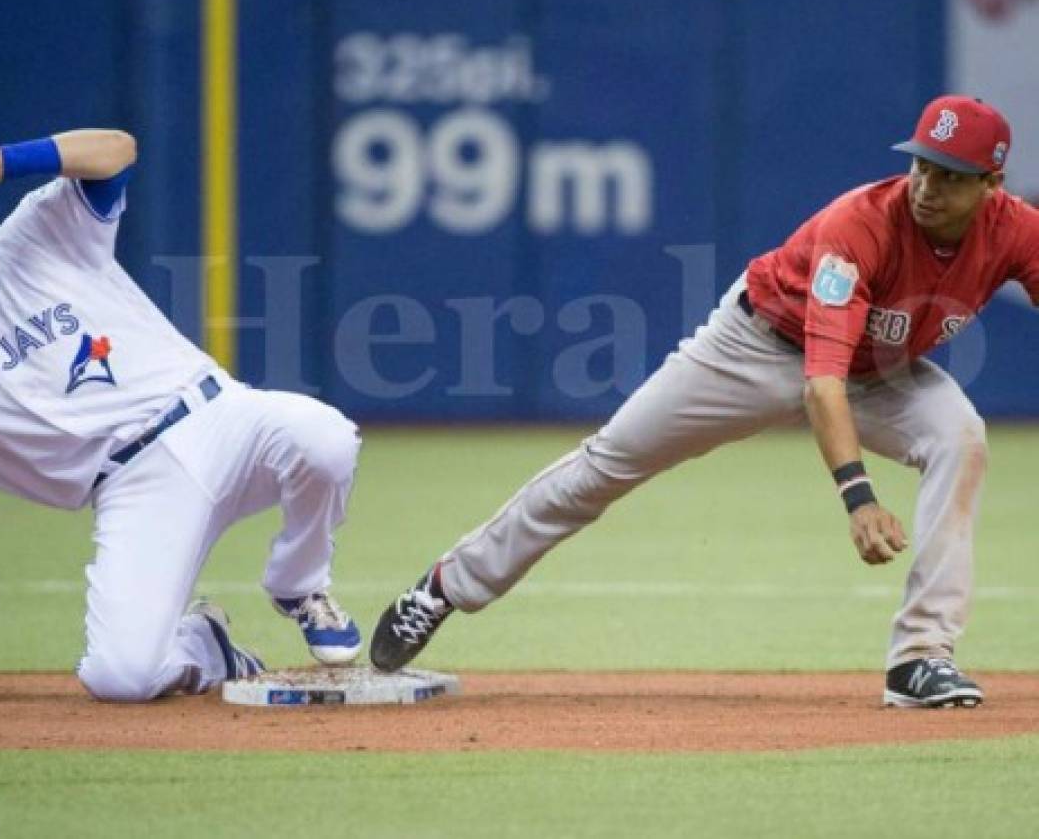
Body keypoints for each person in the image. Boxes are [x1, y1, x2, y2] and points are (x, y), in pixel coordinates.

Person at [371, 95, 1036, 708]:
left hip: (881, 373)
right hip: (753, 348)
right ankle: (443, 587)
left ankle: (918, 658)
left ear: (991, 186)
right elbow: (819, 381)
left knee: (959, 437)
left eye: (949, 175)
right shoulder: (861, 224)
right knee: (607, 464)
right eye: (921, 165)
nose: (925, 185)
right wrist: (857, 496)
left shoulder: (1015, 232)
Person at [0, 130, 364, 702]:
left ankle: (299, 584)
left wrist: (6, 162)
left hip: (216, 418)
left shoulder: (33, 237)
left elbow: (117, 149)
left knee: (326, 438)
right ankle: (208, 649)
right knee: (121, 677)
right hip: (136, 490)